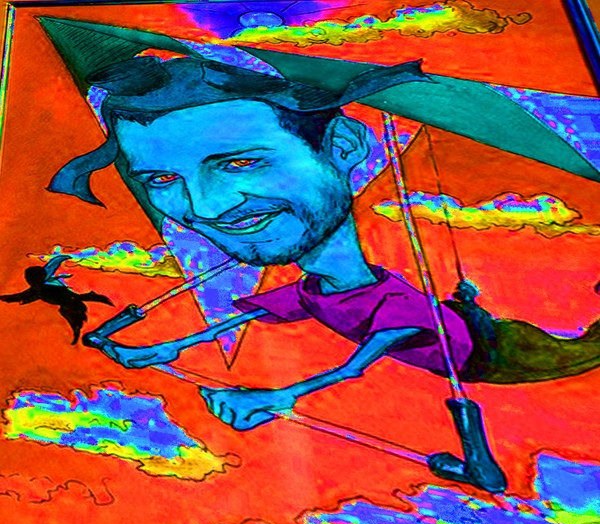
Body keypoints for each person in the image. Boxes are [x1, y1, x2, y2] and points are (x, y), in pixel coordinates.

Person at [49, 55, 600, 493]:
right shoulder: (316, 291)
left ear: (341, 147)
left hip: (498, 353)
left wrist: (279, 396)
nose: (206, 208)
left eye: (241, 162)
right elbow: (244, 318)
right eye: (162, 179)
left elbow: (352, 368)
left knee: (582, 350)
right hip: (464, 325)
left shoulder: (396, 310)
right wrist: (166, 348)